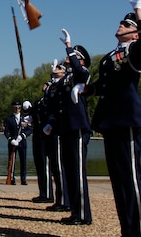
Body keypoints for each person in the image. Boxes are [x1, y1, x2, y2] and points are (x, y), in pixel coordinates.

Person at [83, 0, 141, 237]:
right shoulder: (108, 57)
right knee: (118, 181)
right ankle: (129, 231)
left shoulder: (135, 51)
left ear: (134, 33)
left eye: (127, 24)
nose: (121, 26)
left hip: (126, 118)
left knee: (132, 180)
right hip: (110, 121)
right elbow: (103, 85)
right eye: (122, 23)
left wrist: (139, 11)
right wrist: (84, 90)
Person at [58, 29, 93, 225]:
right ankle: (74, 210)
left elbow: (81, 72)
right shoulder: (66, 78)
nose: (67, 58)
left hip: (78, 127)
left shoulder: (83, 73)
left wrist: (69, 47)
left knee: (78, 171)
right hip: (67, 127)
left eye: (73, 57)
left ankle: (83, 215)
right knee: (70, 171)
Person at [42, 60, 70, 213]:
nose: (55, 69)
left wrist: (52, 123)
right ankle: (60, 198)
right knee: (55, 166)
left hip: (58, 127)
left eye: (59, 67)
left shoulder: (62, 85)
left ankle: (64, 200)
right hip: (52, 127)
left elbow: (59, 107)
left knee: (59, 166)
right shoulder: (54, 86)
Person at [28, 89, 53, 204]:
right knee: (39, 163)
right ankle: (43, 192)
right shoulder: (40, 101)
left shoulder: (49, 100)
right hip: (37, 133)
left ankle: (48, 194)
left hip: (45, 134)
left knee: (45, 163)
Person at [3, 101, 32, 185]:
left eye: (18, 108)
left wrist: (22, 136)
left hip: (22, 143)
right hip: (13, 143)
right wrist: (10, 139)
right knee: (11, 161)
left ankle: (23, 179)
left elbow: (29, 130)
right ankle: (11, 178)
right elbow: (6, 132)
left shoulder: (25, 118)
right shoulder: (9, 119)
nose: (17, 109)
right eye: (15, 108)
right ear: (13, 108)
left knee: (23, 162)